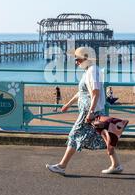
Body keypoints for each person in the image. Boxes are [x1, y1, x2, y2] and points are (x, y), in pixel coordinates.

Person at [46, 47, 124, 176]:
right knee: (105, 138)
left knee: (74, 135)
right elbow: (81, 93)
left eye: (78, 59)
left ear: (86, 59)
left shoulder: (93, 71)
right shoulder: (88, 71)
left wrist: (90, 112)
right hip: (91, 111)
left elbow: (95, 92)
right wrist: (68, 104)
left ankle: (62, 166)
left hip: (90, 112)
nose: (76, 62)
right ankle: (116, 165)